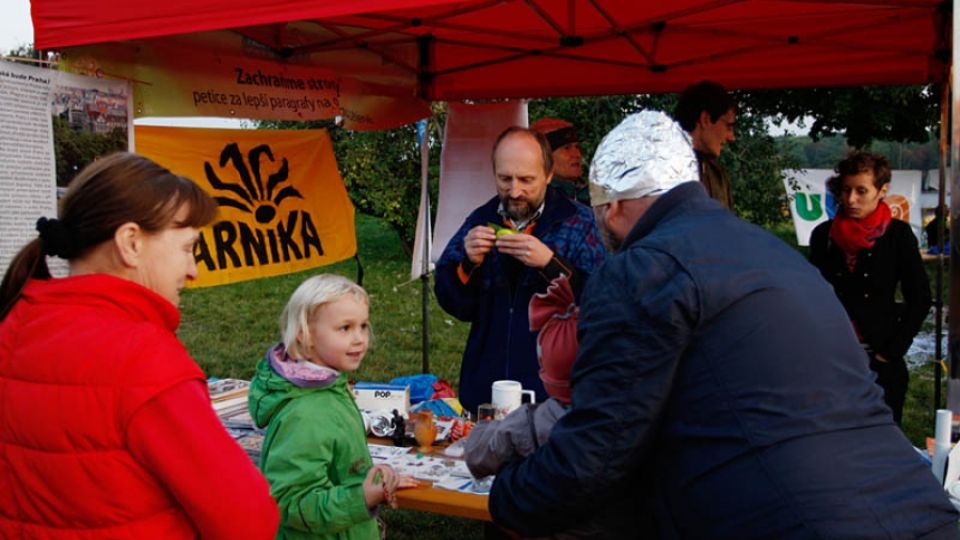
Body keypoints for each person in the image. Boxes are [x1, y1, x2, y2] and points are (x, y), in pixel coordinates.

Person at [489, 111, 958, 538]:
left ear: (611, 207)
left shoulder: (641, 268)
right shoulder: (774, 254)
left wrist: (506, 497)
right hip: (918, 509)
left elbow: (597, 453)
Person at [0, 152, 279, 538]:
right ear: (131, 242)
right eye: (187, 248)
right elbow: (249, 520)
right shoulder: (144, 358)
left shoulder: (13, 325)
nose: (194, 270)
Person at [434, 126, 607, 414]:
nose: (514, 191)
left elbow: (606, 300)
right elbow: (454, 303)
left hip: (556, 401)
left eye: (526, 180)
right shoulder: (482, 219)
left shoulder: (579, 223)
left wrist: (551, 265)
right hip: (487, 398)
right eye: (505, 179)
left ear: (549, 175)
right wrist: (467, 263)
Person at [249, 274, 417, 540]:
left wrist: (371, 479)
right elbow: (291, 503)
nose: (360, 338)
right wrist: (361, 497)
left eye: (363, 326)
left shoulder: (330, 387)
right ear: (306, 336)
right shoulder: (306, 413)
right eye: (345, 328)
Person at [809, 151, 931, 424]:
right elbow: (812, 295)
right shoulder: (823, 235)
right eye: (846, 190)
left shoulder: (897, 236)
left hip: (881, 358)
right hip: (833, 357)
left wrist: (891, 351)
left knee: (882, 435)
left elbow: (920, 298)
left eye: (861, 191)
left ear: (882, 190)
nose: (851, 199)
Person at [674, 79, 736, 210]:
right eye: (728, 126)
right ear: (705, 119)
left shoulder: (718, 173)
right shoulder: (662, 172)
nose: (731, 137)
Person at [531, 117, 590, 204]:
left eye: (577, 147)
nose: (577, 155)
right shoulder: (537, 200)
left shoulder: (590, 193)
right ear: (544, 157)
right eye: (566, 148)